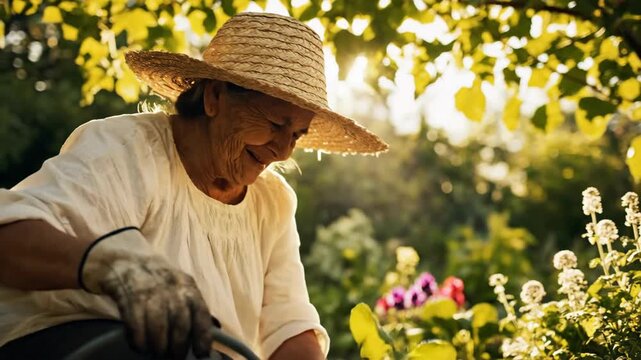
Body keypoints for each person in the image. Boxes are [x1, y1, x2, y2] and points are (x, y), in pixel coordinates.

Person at [0, 12, 388, 360]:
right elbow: (8, 240)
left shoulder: (273, 201)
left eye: (297, 135)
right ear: (215, 97)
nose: (283, 151)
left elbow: (289, 327)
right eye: (274, 124)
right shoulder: (126, 149)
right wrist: (111, 264)